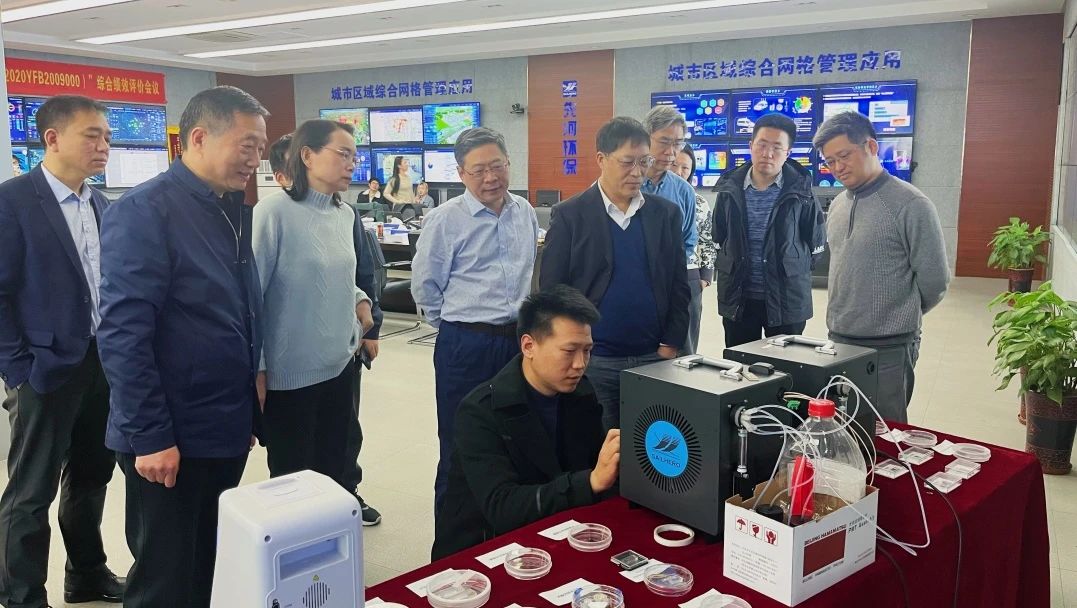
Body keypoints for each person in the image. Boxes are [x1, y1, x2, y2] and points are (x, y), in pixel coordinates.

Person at [97, 85, 268, 608]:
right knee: (165, 577)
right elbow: (123, 334)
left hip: (221, 421)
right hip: (169, 432)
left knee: (208, 562)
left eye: (261, 148)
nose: (256, 159)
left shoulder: (228, 206)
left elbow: (233, 309)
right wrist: (150, 436)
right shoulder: (145, 211)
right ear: (198, 138)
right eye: (247, 145)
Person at [0, 95, 125, 608]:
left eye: (108, 137)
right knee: (31, 491)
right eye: (92, 135)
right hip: (44, 370)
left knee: (92, 476)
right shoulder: (13, 202)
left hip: (102, 363)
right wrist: (18, 367)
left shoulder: (100, 204)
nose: (104, 146)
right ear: (52, 139)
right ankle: (21, 596)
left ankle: (87, 574)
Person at [431, 285, 618, 560]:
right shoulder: (480, 411)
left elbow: (593, 465)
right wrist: (589, 482)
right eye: (569, 351)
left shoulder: (581, 393)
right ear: (529, 346)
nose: (580, 364)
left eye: (587, 350)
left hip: (559, 532)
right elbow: (502, 507)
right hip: (488, 549)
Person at [411, 127, 540, 513]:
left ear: (509, 163)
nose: (490, 177)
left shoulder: (524, 212)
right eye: (479, 170)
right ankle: (453, 538)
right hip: (466, 346)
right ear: (461, 173)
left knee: (517, 438)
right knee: (460, 442)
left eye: (497, 166)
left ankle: (504, 529)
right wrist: (457, 326)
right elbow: (425, 287)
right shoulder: (445, 220)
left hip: (518, 343)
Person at [265, 127, 384, 526]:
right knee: (294, 482)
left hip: (339, 367)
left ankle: (333, 548)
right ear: (307, 156)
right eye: (343, 154)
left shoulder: (344, 214)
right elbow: (252, 297)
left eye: (354, 155)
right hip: (290, 375)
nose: (353, 164)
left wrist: (360, 301)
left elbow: (340, 275)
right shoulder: (273, 213)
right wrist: (257, 371)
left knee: (335, 471)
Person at [540, 117, 690, 431]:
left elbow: (678, 283)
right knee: (596, 443)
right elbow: (553, 291)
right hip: (595, 360)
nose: (637, 172)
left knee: (653, 443)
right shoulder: (571, 215)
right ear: (601, 159)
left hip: (654, 357)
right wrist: (572, 351)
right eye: (627, 162)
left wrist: (671, 343)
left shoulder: (665, 214)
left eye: (644, 162)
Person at [813, 111, 950, 422]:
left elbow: (935, 281)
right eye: (830, 161)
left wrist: (897, 313)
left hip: (889, 346)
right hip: (839, 339)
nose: (837, 167)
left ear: (871, 147)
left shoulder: (911, 205)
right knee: (842, 428)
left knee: (886, 433)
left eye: (844, 156)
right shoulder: (839, 204)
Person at [711, 113, 826, 348]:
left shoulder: (802, 191)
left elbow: (815, 244)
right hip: (739, 297)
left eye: (777, 147)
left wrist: (790, 267)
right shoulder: (729, 189)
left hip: (787, 299)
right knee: (741, 363)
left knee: (788, 365)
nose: (767, 153)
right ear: (751, 145)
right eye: (762, 145)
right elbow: (719, 237)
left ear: (788, 152)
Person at [640, 106, 699, 353]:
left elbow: (688, 241)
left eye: (678, 143)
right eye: (664, 142)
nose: (671, 152)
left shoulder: (683, 191)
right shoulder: (623, 183)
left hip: (670, 289)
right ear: (646, 138)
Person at [673, 143, 717, 354]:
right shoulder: (650, 197)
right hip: (654, 277)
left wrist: (705, 277)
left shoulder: (698, 202)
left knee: (686, 341)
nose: (679, 172)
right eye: (674, 165)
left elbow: (708, 240)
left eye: (685, 168)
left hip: (689, 276)